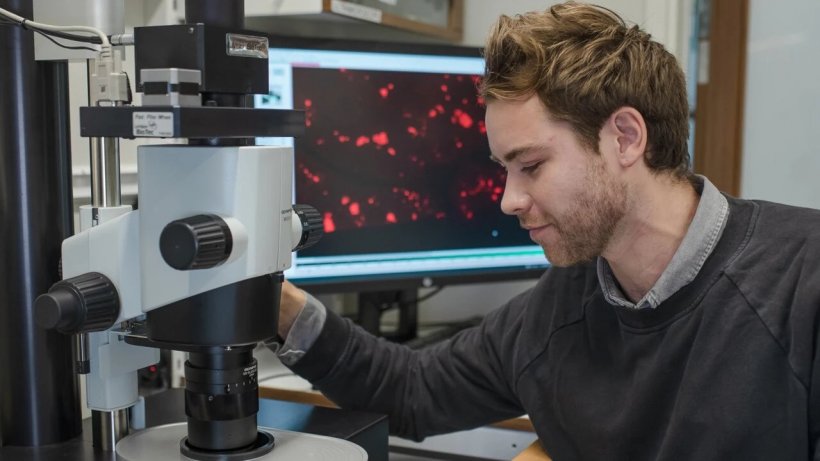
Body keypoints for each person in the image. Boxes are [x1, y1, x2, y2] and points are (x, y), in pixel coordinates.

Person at [266, 2, 820, 459]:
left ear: (626, 137)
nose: (509, 200)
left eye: (530, 166)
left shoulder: (801, 285)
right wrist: (275, 303)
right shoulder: (563, 306)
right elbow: (411, 391)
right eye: (503, 170)